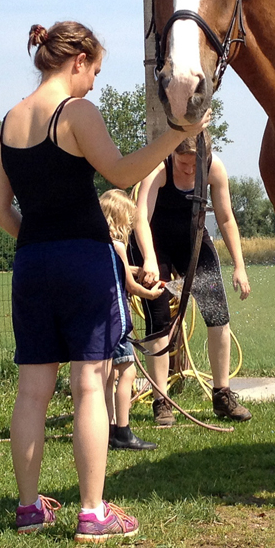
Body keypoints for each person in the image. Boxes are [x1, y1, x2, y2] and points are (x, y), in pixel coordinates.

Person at [0, 21, 207, 542]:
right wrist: (179, 133)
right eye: (96, 72)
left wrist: (39, 240)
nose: (94, 84)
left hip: (32, 264)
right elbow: (121, 172)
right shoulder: (77, 112)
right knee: (90, 382)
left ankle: (28, 508)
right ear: (78, 60)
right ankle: (91, 511)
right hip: (84, 262)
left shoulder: (8, 122)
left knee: (32, 391)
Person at [132, 130, 253, 426]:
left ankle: (222, 395)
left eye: (192, 165)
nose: (187, 170)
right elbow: (140, 219)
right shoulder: (158, 168)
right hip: (154, 243)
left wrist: (239, 265)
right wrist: (148, 259)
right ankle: (161, 401)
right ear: (173, 154)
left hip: (193, 240)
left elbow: (225, 218)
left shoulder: (215, 168)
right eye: (182, 163)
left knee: (218, 314)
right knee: (158, 317)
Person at [98, 189, 164, 452]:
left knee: (105, 375)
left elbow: (122, 270)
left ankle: (108, 428)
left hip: (99, 319)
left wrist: (136, 270)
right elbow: (128, 285)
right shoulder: (119, 245)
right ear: (120, 217)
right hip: (117, 316)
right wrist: (151, 293)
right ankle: (124, 431)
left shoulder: (100, 243)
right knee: (128, 370)